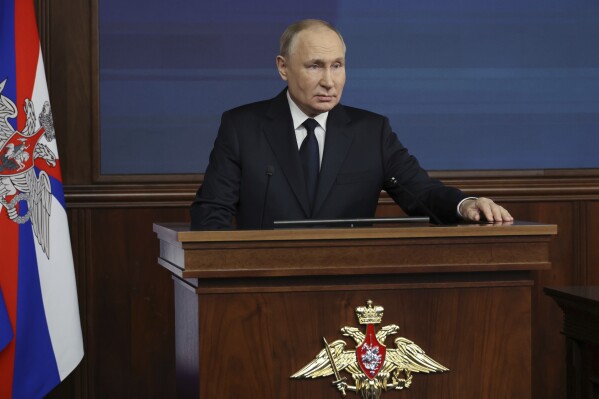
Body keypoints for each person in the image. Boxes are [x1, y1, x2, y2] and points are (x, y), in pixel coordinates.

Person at [190, 19, 513, 230]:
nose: (329, 81)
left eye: (337, 66)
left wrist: (466, 204)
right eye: (315, 66)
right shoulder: (242, 127)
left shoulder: (371, 132)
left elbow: (422, 193)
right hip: (262, 288)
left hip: (348, 288)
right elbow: (211, 213)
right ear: (283, 67)